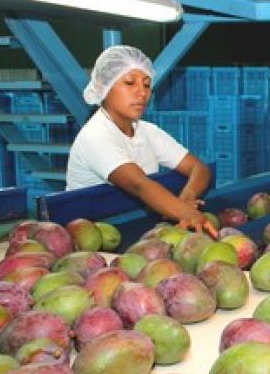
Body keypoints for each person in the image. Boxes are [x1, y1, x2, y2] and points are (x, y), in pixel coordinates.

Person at [66, 45, 217, 237]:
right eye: (129, 83)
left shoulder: (147, 132)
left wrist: (188, 195)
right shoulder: (95, 136)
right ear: (104, 87)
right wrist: (187, 213)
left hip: (132, 224)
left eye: (146, 85)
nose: (142, 93)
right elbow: (139, 185)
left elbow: (199, 168)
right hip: (91, 234)